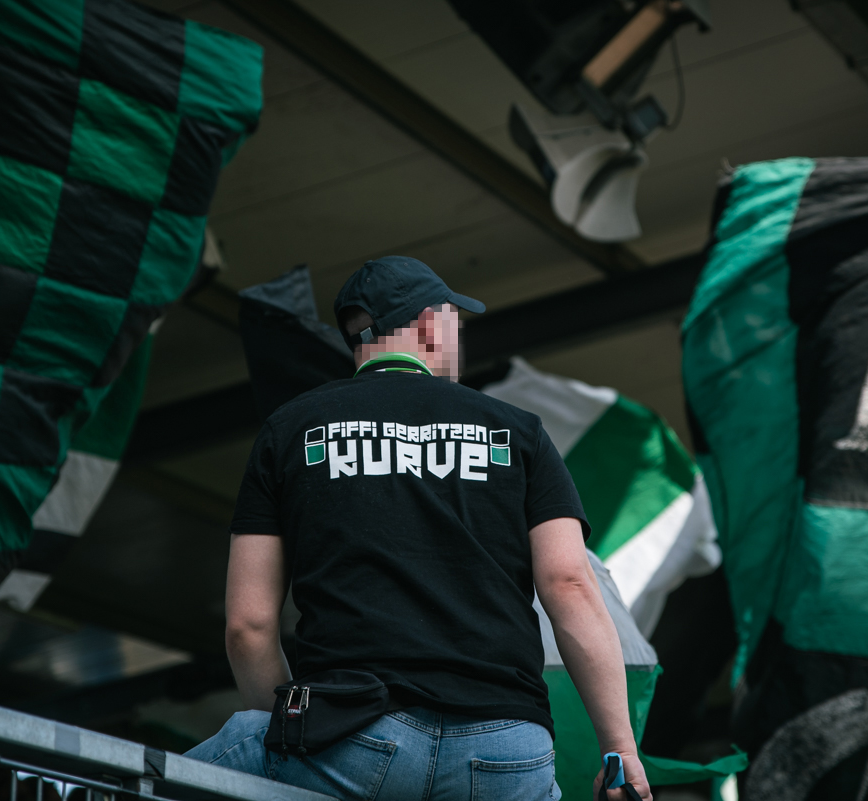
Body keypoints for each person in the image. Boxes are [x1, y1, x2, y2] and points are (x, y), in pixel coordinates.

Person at [185, 256, 651, 801]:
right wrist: (620, 751)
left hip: (349, 739)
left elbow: (248, 627)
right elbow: (570, 585)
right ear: (431, 324)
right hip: (506, 752)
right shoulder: (518, 433)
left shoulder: (288, 430)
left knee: (135, 777)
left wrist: (292, 737)